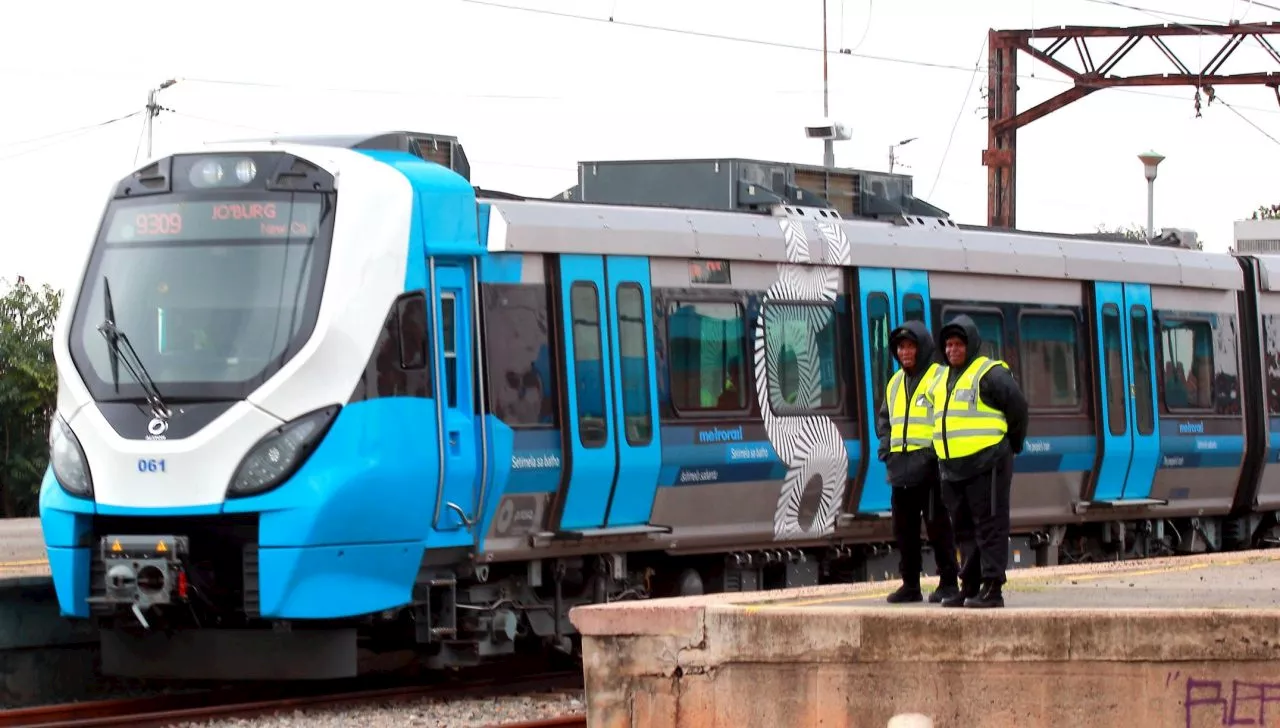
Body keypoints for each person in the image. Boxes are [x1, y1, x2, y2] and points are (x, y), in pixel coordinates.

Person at [927, 314, 1028, 609]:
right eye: (948, 345)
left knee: (990, 526)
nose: (952, 350)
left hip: (988, 464)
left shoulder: (990, 373)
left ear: (971, 345)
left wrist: (1012, 444)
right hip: (953, 469)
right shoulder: (941, 378)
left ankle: (992, 588)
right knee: (963, 531)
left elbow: (1018, 407)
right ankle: (969, 586)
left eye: (958, 344)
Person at [875, 320, 961, 604]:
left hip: (931, 468)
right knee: (904, 530)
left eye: (910, 346)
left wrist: (935, 454)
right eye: (900, 347)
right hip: (900, 468)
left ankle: (949, 582)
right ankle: (910, 584)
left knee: (938, 526)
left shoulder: (939, 376)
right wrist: (886, 450)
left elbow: (948, 416)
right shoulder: (895, 382)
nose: (905, 352)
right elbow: (885, 420)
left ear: (922, 347)